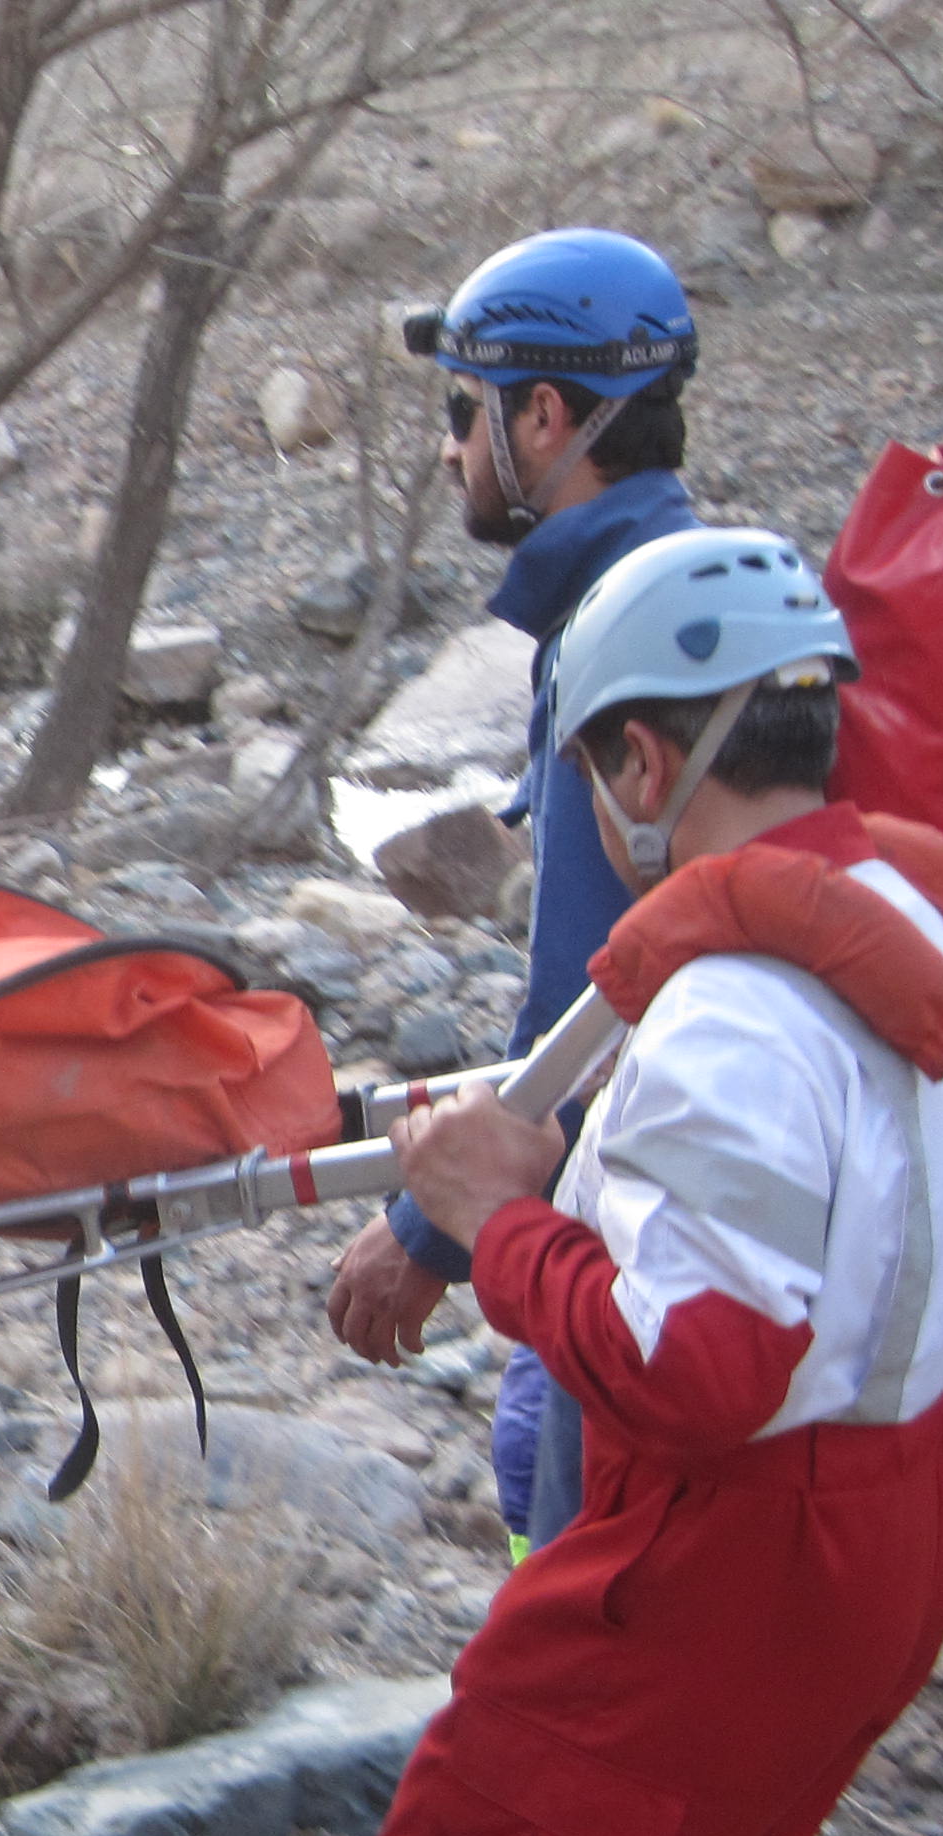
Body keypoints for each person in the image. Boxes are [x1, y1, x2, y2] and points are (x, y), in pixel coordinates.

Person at [356, 530, 943, 1836]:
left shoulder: (732, 1017)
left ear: (639, 761)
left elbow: (702, 1371)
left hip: (744, 1555)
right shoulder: (931, 935)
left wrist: (496, 1217)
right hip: (916, 1502)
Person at [328, 228, 704, 1559]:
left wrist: (427, 1229)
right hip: (701, 1181)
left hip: (646, 1199)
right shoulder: (693, 584)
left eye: (462, 411)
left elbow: (593, 986)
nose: (449, 449)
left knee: (567, 1495)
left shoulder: (615, 632)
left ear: (544, 417)